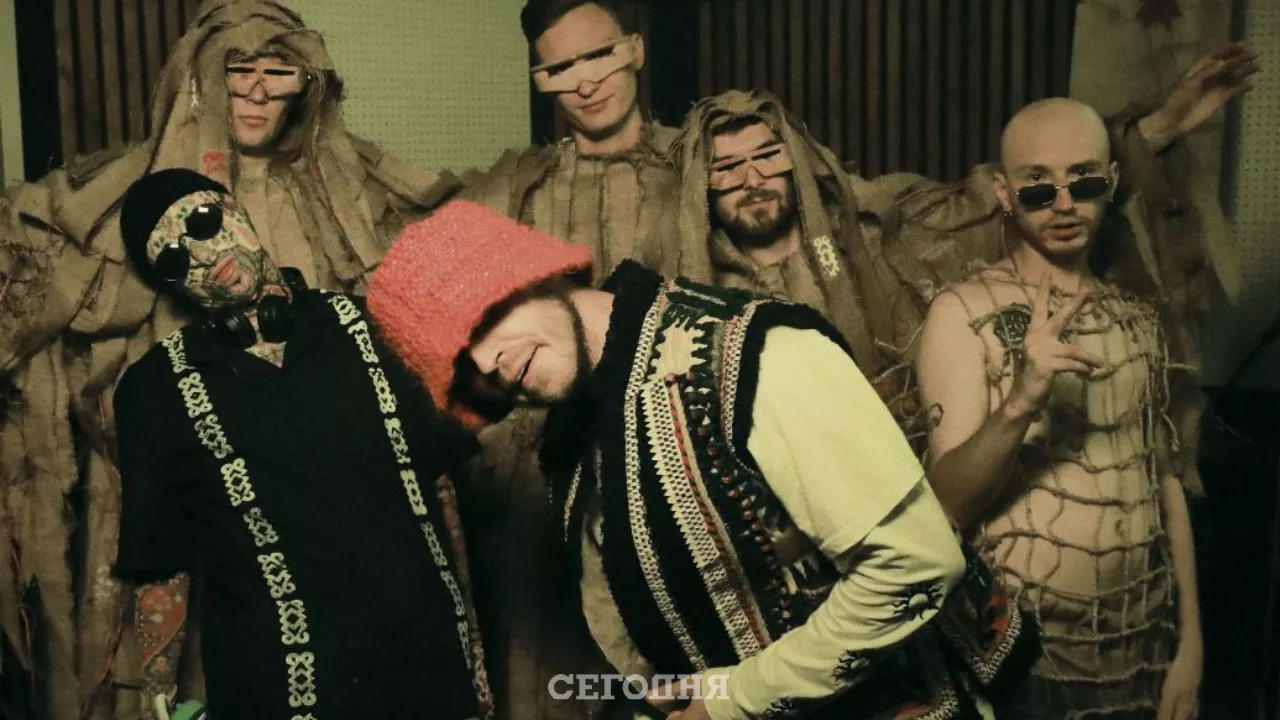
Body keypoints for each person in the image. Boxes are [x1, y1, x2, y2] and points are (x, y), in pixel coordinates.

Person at [367, 200, 1037, 720]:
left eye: (482, 322)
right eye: (461, 371)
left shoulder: (757, 355)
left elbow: (917, 565)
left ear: (532, 274)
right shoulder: (572, 428)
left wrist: (732, 700)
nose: (488, 364)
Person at [0, 1, 460, 716]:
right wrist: (159, 691)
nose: (255, 90)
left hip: (402, 630)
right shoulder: (158, 380)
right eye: (237, 70)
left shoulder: (355, 306)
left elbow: (436, 481)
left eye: (278, 71)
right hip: (259, 633)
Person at [669, 45, 1257, 449]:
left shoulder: (878, 234)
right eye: (726, 167)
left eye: (767, 156)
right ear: (702, 184)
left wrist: (1157, 129)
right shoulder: (699, 297)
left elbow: (1020, 191)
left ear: (796, 160)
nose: (751, 179)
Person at [111, 169, 492, 719]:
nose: (200, 253)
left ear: (236, 207)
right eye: (172, 258)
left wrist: (473, 655)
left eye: (203, 221)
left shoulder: (378, 324)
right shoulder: (153, 390)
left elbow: (439, 492)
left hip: (424, 671)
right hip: (273, 691)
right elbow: (160, 563)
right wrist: (159, 699)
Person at [914, 98, 1204, 719]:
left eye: (1084, 180)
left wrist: (1192, 644)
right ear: (1004, 193)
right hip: (1022, 654)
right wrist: (1022, 399)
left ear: (1112, 182)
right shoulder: (962, 313)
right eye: (1039, 187)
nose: (1065, 203)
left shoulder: (1137, 318)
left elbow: (1165, 482)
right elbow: (945, 505)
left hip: (1144, 645)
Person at [459, 3, 687, 716]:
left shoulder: (703, 168)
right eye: (560, 68)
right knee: (553, 666)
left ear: (636, 50)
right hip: (545, 473)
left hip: (679, 457)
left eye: (599, 56)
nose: (585, 82)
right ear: (540, 81)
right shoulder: (515, 191)